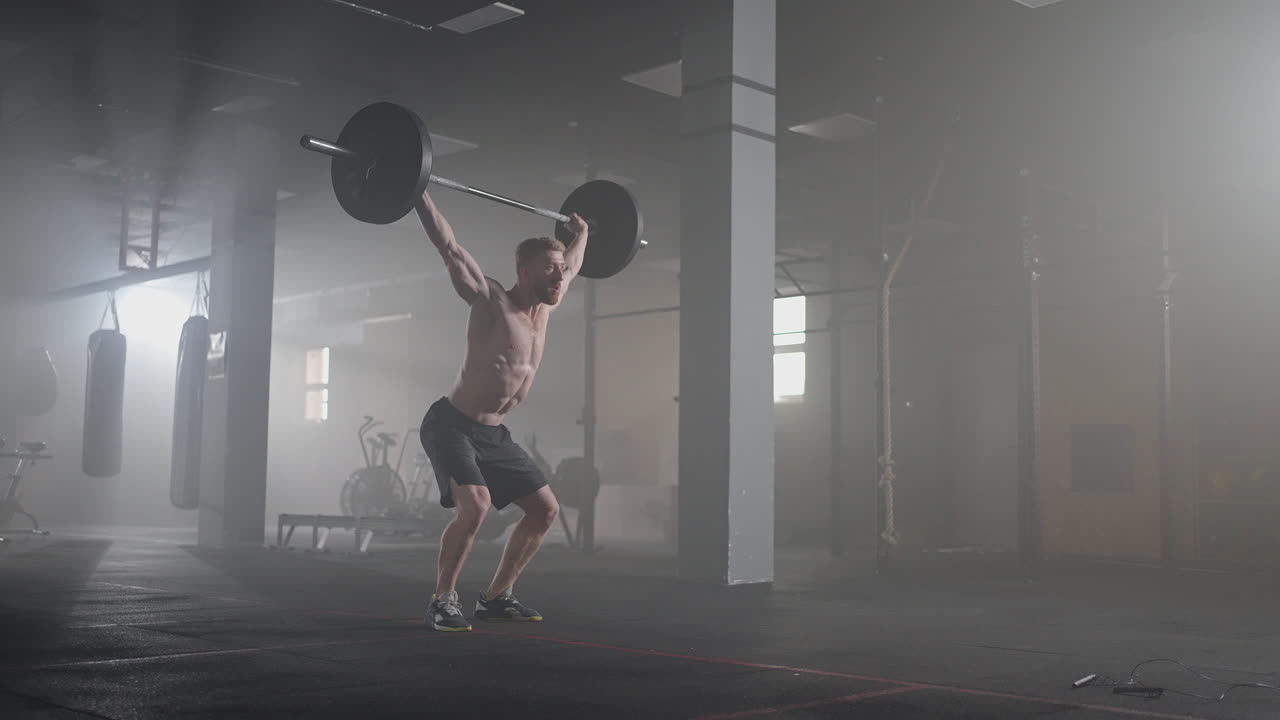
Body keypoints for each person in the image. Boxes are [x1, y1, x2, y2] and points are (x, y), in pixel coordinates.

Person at [415, 188, 588, 632]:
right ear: (524, 270)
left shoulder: (545, 308)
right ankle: (443, 599)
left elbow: (576, 264)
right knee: (475, 507)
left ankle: (495, 597)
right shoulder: (491, 301)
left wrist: (582, 233)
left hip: (494, 433)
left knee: (544, 510)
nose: (561, 275)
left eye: (562, 269)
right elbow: (449, 248)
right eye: (551, 268)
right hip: (451, 424)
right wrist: (418, 193)